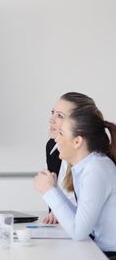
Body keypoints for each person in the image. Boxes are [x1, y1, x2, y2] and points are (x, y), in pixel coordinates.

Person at [34, 92, 116, 260]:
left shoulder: (96, 170)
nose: (56, 140)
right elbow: (80, 216)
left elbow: (79, 232)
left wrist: (49, 191)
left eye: (61, 134)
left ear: (77, 141)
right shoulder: (87, 166)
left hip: (108, 257)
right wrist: (54, 189)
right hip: (100, 252)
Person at [43, 93, 81, 224]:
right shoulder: (52, 146)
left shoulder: (91, 159)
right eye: (52, 113)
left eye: (59, 116)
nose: (51, 120)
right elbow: (55, 212)